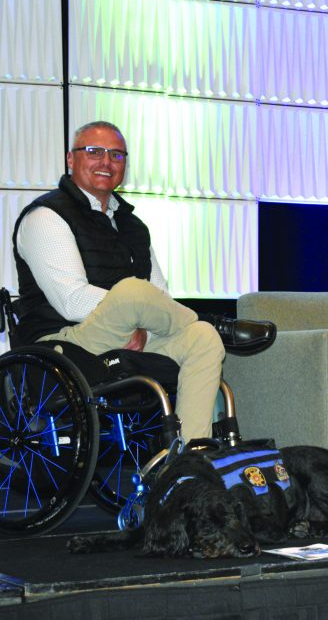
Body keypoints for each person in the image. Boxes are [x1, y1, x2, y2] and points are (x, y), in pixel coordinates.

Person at [12, 121, 273, 442]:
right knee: (134, 292)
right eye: (94, 151)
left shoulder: (133, 226)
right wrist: (133, 312)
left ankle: (191, 459)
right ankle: (218, 323)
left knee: (202, 338)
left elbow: (160, 297)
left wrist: (144, 327)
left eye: (117, 155)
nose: (106, 162)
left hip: (131, 333)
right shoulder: (46, 216)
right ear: (71, 159)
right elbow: (72, 300)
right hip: (65, 339)